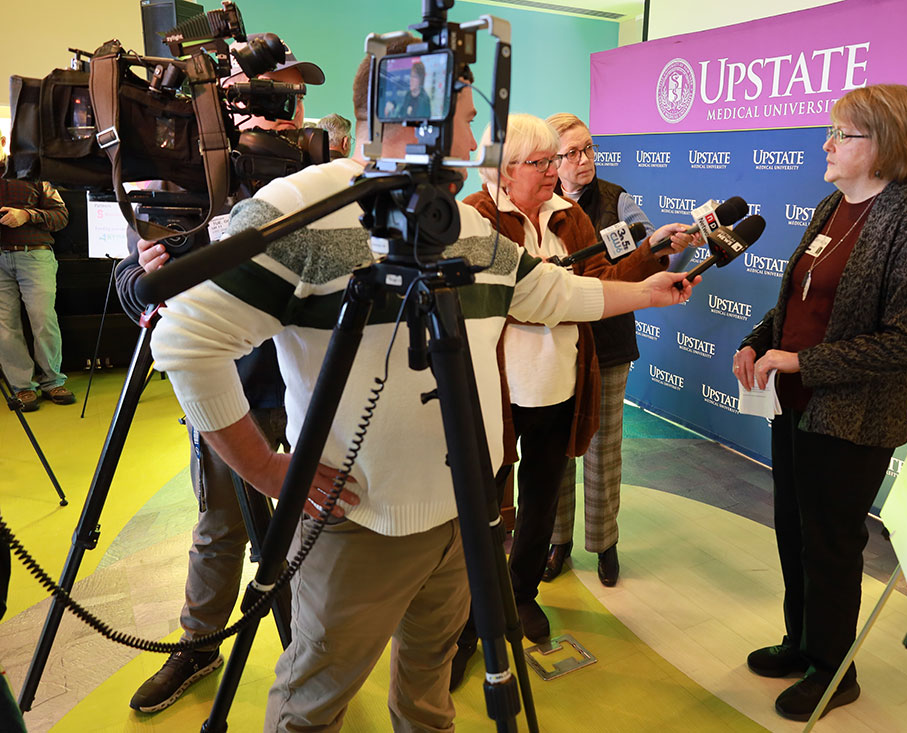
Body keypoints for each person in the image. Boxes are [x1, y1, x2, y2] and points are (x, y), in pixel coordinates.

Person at [149, 47, 699, 732]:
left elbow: (545, 290)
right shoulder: (303, 208)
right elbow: (183, 342)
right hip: (358, 522)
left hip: (466, 514)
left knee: (429, 692)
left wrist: (642, 292)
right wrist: (264, 468)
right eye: (466, 121)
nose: (474, 142)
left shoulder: (457, 224)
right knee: (312, 701)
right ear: (416, 121)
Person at [116, 37, 325, 714]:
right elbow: (134, 282)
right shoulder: (185, 183)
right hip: (227, 388)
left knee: (302, 525)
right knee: (220, 524)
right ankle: (200, 642)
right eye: (249, 102)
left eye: (279, 102)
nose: (266, 120)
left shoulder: (318, 179)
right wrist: (146, 276)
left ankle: (307, 653)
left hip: (312, 387)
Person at [733, 84, 907, 721]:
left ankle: (834, 671)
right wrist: (758, 341)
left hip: (853, 418)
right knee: (795, 531)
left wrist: (803, 361)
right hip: (795, 404)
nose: (826, 143)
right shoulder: (837, 202)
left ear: (883, 145)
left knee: (830, 542)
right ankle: (802, 643)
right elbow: (802, 298)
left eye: (842, 134)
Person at [463, 113, 700, 646]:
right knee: (482, 506)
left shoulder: (572, 217)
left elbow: (600, 282)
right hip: (494, 391)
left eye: (556, 159)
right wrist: (559, 297)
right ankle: (468, 616)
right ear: (501, 169)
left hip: (559, 384)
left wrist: (648, 264)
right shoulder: (473, 217)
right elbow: (501, 300)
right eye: (540, 162)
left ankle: (522, 594)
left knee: (543, 497)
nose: (556, 171)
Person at [542, 112, 655, 588]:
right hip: (557, 346)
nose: (584, 160)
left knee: (605, 450)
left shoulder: (618, 199)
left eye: (588, 149)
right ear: (553, 159)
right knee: (556, 450)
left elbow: (648, 247)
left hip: (608, 345)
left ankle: (605, 544)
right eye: (572, 152)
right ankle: (557, 542)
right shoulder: (540, 208)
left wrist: (649, 249)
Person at [0, 135, 72, 412]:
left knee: (43, 318)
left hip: (36, 253)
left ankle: (53, 381)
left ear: (4, 140)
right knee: (5, 327)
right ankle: (22, 386)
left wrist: (27, 215)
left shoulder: (34, 172)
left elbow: (61, 216)